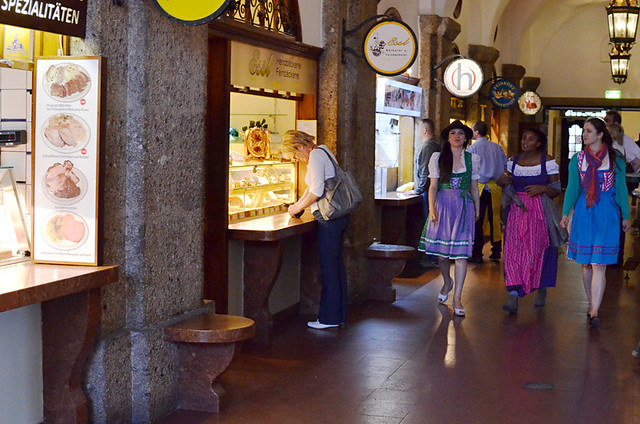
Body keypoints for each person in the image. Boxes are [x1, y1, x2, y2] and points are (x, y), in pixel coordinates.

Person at [560, 117, 630, 328]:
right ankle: (592, 304)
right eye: (584, 131)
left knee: (599, 263)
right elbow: (573, 187)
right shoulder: (578, 159)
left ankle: (594, 311)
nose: (584, 134)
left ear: (600, 134)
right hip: (584, 211)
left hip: (607, 211)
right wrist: (565, 213)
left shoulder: (615, 158)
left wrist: (625, 214)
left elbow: (621, 188)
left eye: (589, 131)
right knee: (587, 263)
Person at [283, 130, 350, 330]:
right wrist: (297, 205)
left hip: (329, 219)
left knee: (329, 269)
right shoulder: (324, 150)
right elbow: (312, 187)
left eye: (295, 155)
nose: (297, 159)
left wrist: (297, 208)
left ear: (299, 147)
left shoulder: (314, 156)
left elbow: (317, 191)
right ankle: (339, 315)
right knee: (336, 266)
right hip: (340, 216)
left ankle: (328, 319)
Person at [418, 120, 480, 317]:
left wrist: (477, 210)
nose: (457, 136)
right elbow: (433, 186)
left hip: (463, 206)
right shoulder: (437, 157)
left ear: (466, 138)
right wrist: (432, 208)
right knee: (442, 255)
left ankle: (458, 297)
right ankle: (447, 281)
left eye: (460, 133)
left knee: (461, 255)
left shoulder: (472, 159)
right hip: (443, 206)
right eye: (453, 132)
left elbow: (474, 187)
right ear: (448, 137)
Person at [497, 129, 561, 314]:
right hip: (516, 211)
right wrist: (502, 181)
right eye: (524, 137)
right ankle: (513, 294)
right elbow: (504, 182)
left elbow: (556, 189)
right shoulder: (513, 161)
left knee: (536, 250)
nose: (525, 141)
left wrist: (542, 188)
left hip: (539, 211)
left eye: (531, 139)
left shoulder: (547, 161)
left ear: (539, 143)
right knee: (512, 251)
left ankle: (541, 286)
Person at [466, 121, 507, 263]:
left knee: (478, 219)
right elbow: (505, 165)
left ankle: (477, 253)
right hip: (495, 187)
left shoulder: (472, 149)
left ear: (476, 132)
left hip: (479, 187)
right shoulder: (497, 147)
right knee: (495, 218)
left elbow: (468, 169)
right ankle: (496, 251)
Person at [412, 118, 441, 268]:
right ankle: (433, 257)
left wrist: (418, 189)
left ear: (424, 130)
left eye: (418, 129)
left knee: (429, 224)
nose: (417, 132)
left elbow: (425, 170)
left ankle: (431, 258)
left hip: (429, 192)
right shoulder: (436, 145)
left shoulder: (428, 147)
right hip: (433, 191)